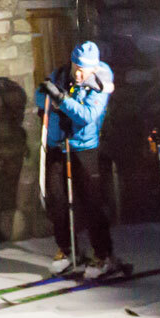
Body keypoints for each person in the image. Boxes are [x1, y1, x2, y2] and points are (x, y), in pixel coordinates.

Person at [33, 41, 132, 279]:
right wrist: (53, 97)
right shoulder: (61, 75)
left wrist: (61, 101)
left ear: (94, 68)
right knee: (56, 200)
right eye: (77, 67)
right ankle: (68, 250)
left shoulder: (100, 84)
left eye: (84, 70)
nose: (79, 74)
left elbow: (87, 115)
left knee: (90, 203)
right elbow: (39, 97)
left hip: (84, 148)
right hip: (58, 145)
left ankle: (103, 254)